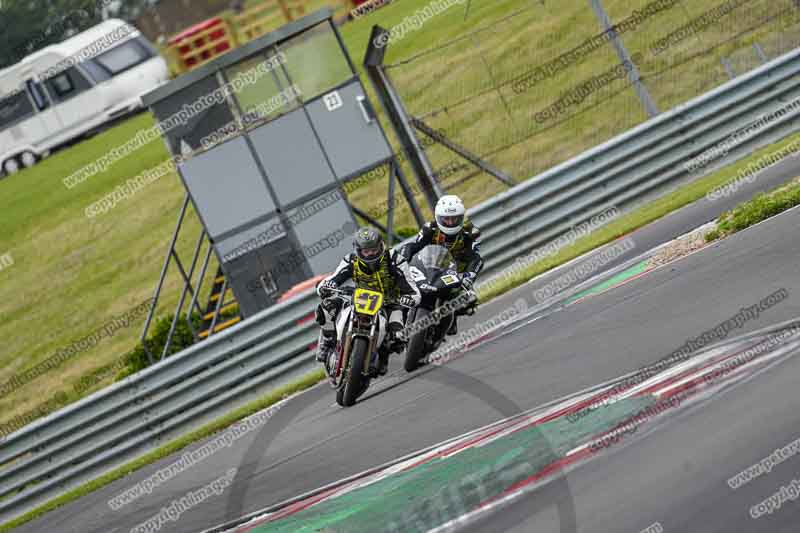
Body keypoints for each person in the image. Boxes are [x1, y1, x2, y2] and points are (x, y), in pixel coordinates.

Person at [315, 226, 421, 376]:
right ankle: (327, 341)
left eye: (374, 249)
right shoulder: (351, 260)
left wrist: (409, 298)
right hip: (358, 299)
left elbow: (413, 290)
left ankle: (382, 357)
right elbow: (334, 278)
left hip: (389, 303)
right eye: (366, 251)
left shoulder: (395, 259)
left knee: (399, 336)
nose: (371, 253)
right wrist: (326, 286)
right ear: (358, 251)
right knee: (325, 308)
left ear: (381, 246)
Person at [401, 194, 483, 335]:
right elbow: (413, 246)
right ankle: (398, 323)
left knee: (469, 302)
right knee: (402, 292)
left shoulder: (469, 233)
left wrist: (469, 277)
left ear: (461, 218)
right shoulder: (430, 229)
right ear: (438, 217)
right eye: (446, 219)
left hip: (455, 273)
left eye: (454, 219)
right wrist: (403, 260)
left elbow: (476, 259)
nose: (450, 222)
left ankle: (451, 318)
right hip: (429, 268)